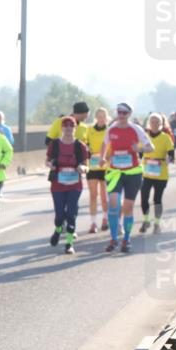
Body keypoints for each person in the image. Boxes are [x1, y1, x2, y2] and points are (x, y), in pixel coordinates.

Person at [100, 102, 154, 253]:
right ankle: (113, 238)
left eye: (124, 113)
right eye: (119, 112)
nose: (121, 115)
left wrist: (140, 148)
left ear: (129, 114)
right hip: (115, 172)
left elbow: (151, 147)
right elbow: (104, 144)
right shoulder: (111, 128)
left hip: (133, 173)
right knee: (113, 204)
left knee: (128, 207)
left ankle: (126, 239)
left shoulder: (136, 129)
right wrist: (102, 157)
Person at [45, 116, 88, 254]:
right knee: (59, 216)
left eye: (71, 125)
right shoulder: (55, 144)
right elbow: (47, 161)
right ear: (61, 128)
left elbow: (86, 166)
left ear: (75, 128)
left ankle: (69, 243)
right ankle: (58, 229)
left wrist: (83, 169)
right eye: (66, 125)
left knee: (71, 214)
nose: (68, 128)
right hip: (58, 185)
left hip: (74, 185)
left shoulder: (80, 146)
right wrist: (50, 165)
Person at [139, 113, 176, 234]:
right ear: (149, 123)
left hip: (161, 174)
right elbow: (139, 153)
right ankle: (146, 220)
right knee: (144, 197)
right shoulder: (144, 137)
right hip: (147, 173)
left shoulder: (166, 137)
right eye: (152, 122)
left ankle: (157, 223)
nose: (154, 124)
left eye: (157, 122)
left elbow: (171, 155)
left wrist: (169, 159)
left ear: (161, 124)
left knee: (157, 199)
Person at [84, 108, 111, 233]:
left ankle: (105, 219)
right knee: (93, 195)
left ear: (107, 118)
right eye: (99, 116)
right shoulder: (89, 130)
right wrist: (88, 151)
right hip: (93, 165)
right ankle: (93, 223)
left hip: (106, 166)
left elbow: (113, 147)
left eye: (103, 116)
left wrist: (107, 156)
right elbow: (84, 144)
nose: (101, 118)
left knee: (104, 196)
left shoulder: (109, 130)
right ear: (96, 117)